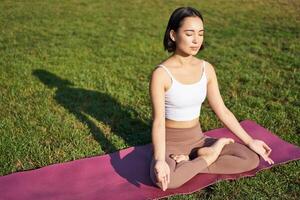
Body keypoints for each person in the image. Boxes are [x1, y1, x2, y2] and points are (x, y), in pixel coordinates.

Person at [149, 6, 274, 191]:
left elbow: (222, 110)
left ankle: (196, 158)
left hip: (198, 140)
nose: (196, 40)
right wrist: (160, 160)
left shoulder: (206, 69)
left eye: (200, 33)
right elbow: (158, 121)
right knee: (166, 181)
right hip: (170, 145)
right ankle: (209, 156)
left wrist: (250, 141)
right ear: (173, 35)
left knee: (250, 158)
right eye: (189, 33)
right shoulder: (161, 74)